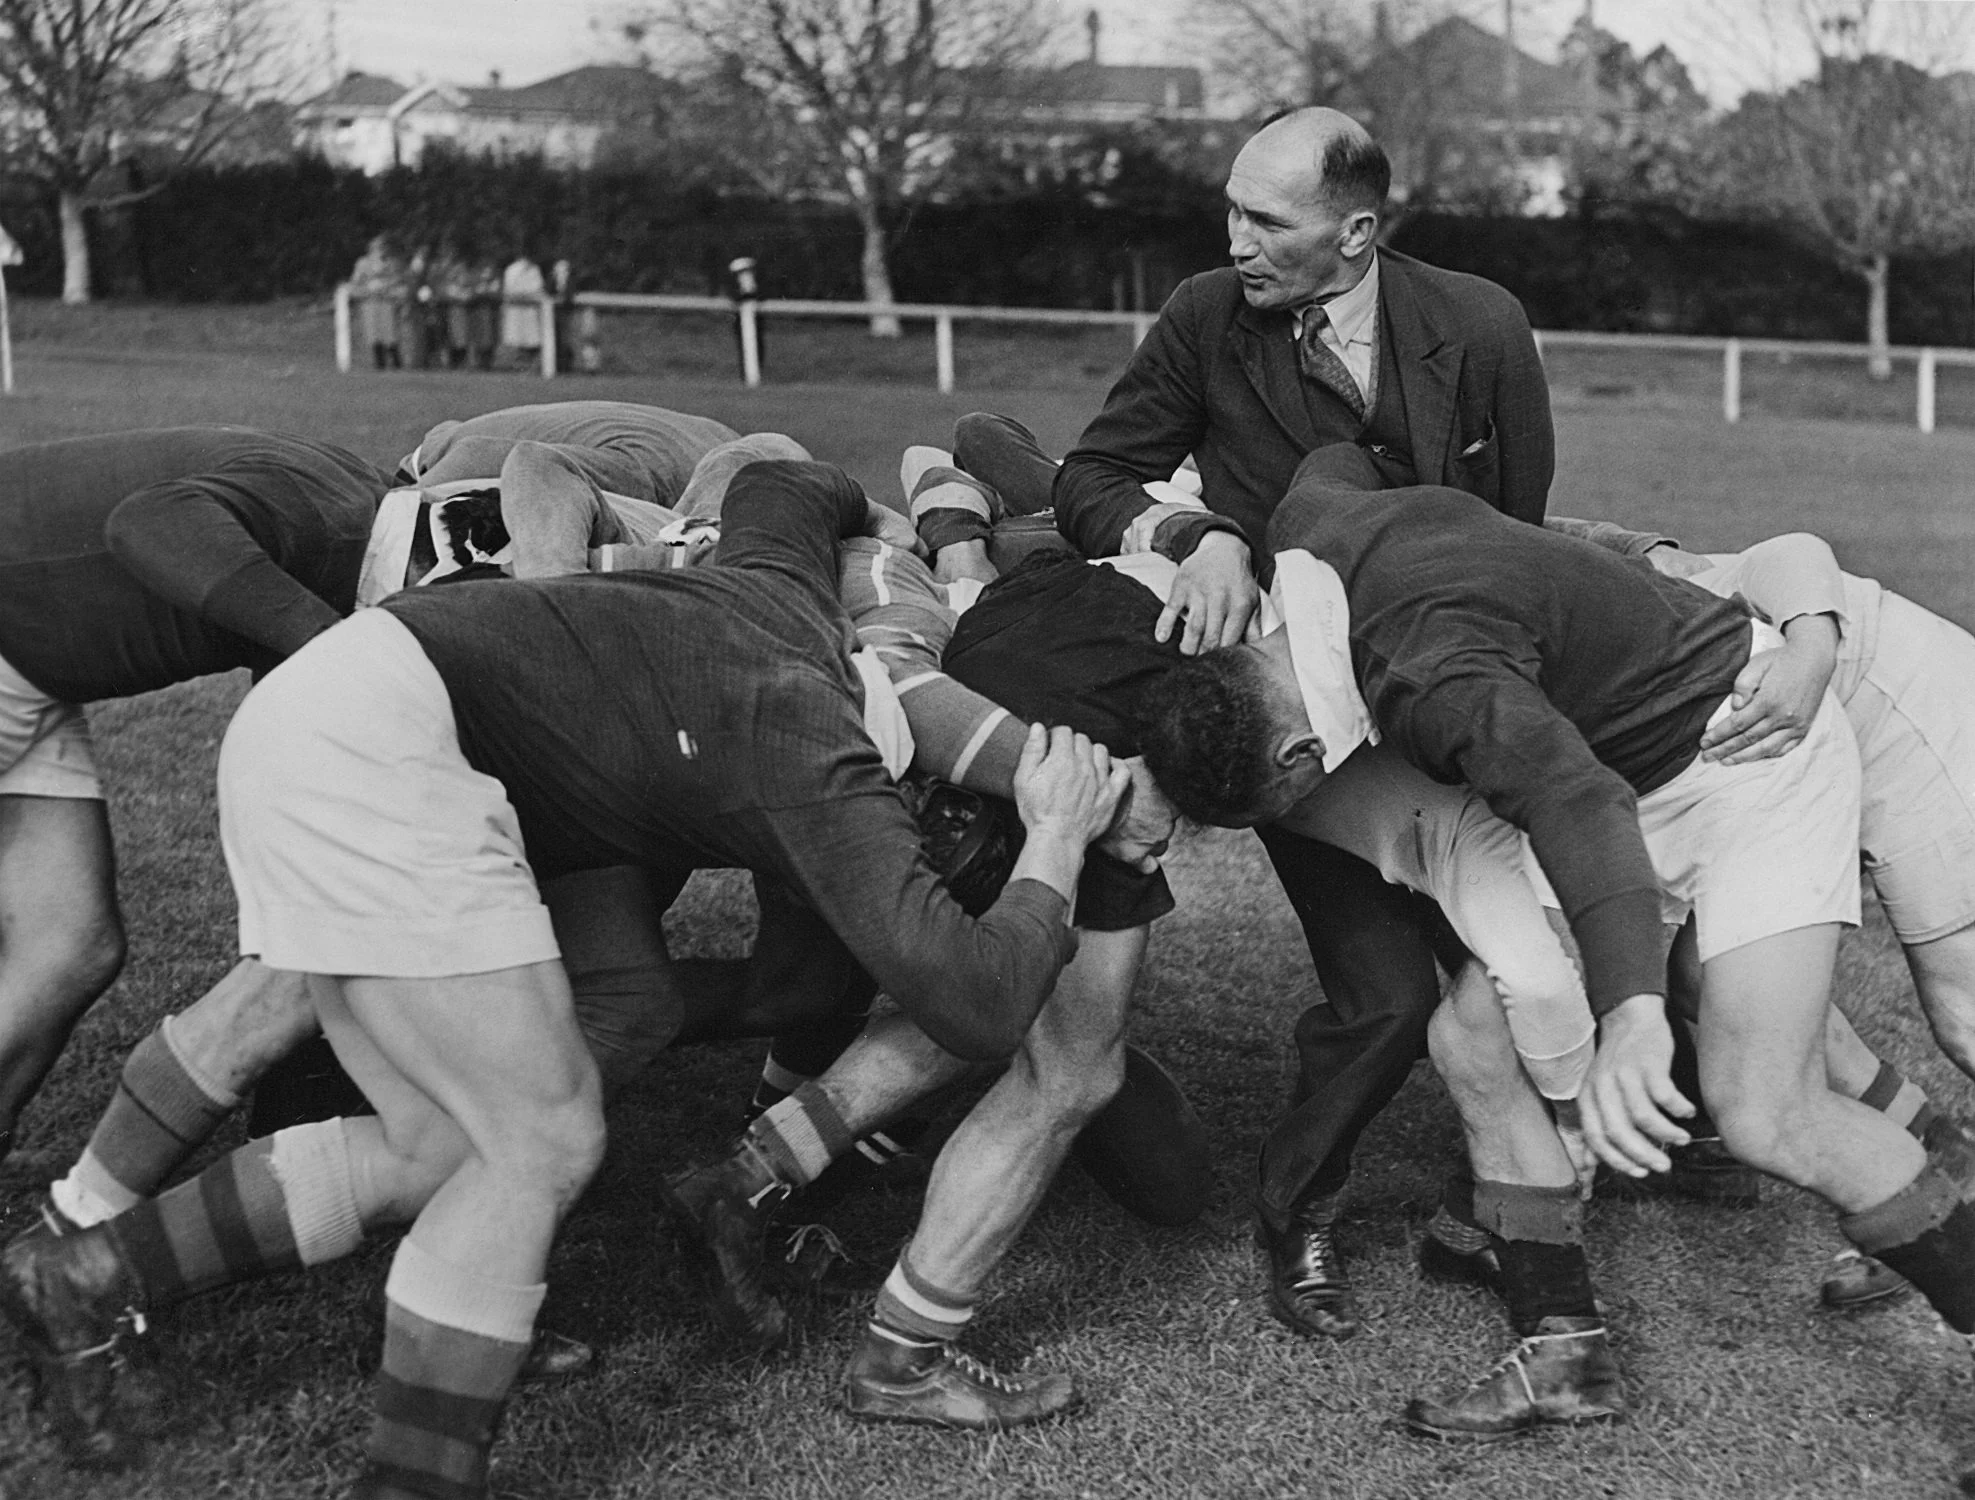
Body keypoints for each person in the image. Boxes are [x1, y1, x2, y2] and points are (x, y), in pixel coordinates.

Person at [0, 459, 1126, 1491]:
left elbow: (784, 480)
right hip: (382, 745)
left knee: (441, 1143)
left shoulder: (785, 598)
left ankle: (89, 1273)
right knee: (541, 1141)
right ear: (903, 785)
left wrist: (883, 519)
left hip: (349, 717)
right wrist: (1054, 838)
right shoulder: (819, 760)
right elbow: (979, 1007)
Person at [1136, 444, 1975, 1458]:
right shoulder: (1313, 522)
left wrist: (1629, 1015)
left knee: (1766, 1110)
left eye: (1289, 801)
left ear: (1296, 753)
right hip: (1646, 758)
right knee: (1471, 1036)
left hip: (1751, 756)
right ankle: (1564, 1354)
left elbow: (1579, 805)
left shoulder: (1429, 679)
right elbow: (1335, 455)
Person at [931, 104, 1558, 1341]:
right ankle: (1302, 1210)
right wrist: (1197, 534)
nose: (1235, 242)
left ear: (1357, 232)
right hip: (1272, 715)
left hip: (1430, 693)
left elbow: (1516, 526)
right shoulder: (1207, 313)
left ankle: (1552, 1179)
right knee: (1385, 995)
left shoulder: (1482, 322)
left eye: (1266, 221)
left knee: (1512, 957)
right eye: (1230, 211)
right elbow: (1092, 476)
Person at [1554, 518, 1975, 1309]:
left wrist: (1809, 656)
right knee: (1706, 978)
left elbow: (1783, 554)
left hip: (1889, 696)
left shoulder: (1534, 547)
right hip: (1777, 757)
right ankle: (1935, 1167)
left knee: (1963, 1016)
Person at [0, 428, 390, 1171]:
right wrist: (350, 654)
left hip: (32, 662)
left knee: (71, 945)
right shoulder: (338, 522)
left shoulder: (353, 503)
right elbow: (149, 520)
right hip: (20, 642)